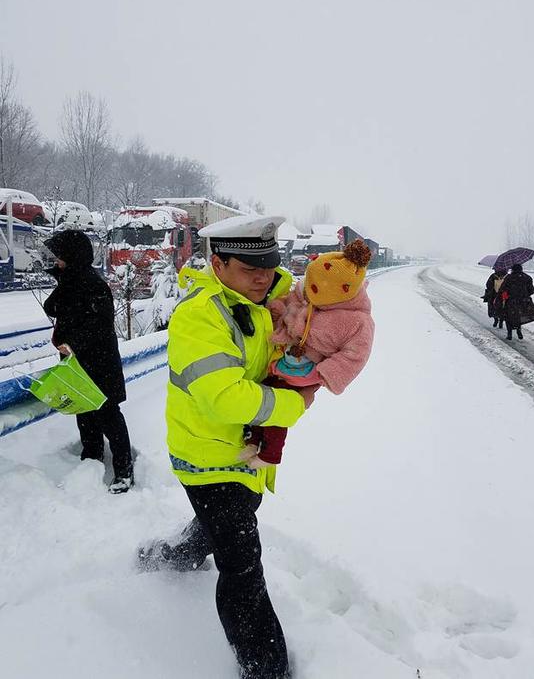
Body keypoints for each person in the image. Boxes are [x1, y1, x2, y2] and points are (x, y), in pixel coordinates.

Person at [138, 215, 317, 679]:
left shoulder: (272, 301)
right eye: (250, 266)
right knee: (241, 568)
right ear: (218, 263)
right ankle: (265, 667)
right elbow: (224, 397)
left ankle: (175, 554)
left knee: (230, 521)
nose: (263, 275)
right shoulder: (198, 316)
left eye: (270, 262)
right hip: (208, 458)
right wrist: (294, 402)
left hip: (246, 454)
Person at [241, 239, 375, 468]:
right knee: (263, 392)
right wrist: (279, 311)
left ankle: (270, 454)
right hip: (283, 360)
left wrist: (321, 374)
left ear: (342, 290)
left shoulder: (356, 321)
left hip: (306, 372)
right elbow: (291, 305)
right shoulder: (307, 294)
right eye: (309, 285)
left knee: (278, 405)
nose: (308, 292)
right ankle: (253, 439)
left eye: (316, 289)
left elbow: (355, 356)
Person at [43, 229, 134, 494]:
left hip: (99, 362)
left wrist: (73, 344)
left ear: (72, 256)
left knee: (108, 415)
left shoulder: (93, 284)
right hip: (78, 363)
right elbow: (51, 308)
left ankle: (125, 472)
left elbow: (100, 325)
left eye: (60, 256)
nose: (56, 260)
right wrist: (63, 278)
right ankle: (91, 459)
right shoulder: (71, 281)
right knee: (84, 412)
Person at [499, 263, 534, 340]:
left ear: (512, 269)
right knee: (519, 315)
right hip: (524, 301)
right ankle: (519, 331)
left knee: (508, 316)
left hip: (511, 301)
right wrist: (524, 294)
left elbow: (503, 289)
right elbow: (532, 290)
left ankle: (509, 334)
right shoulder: (527, 277)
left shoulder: (509, 278)